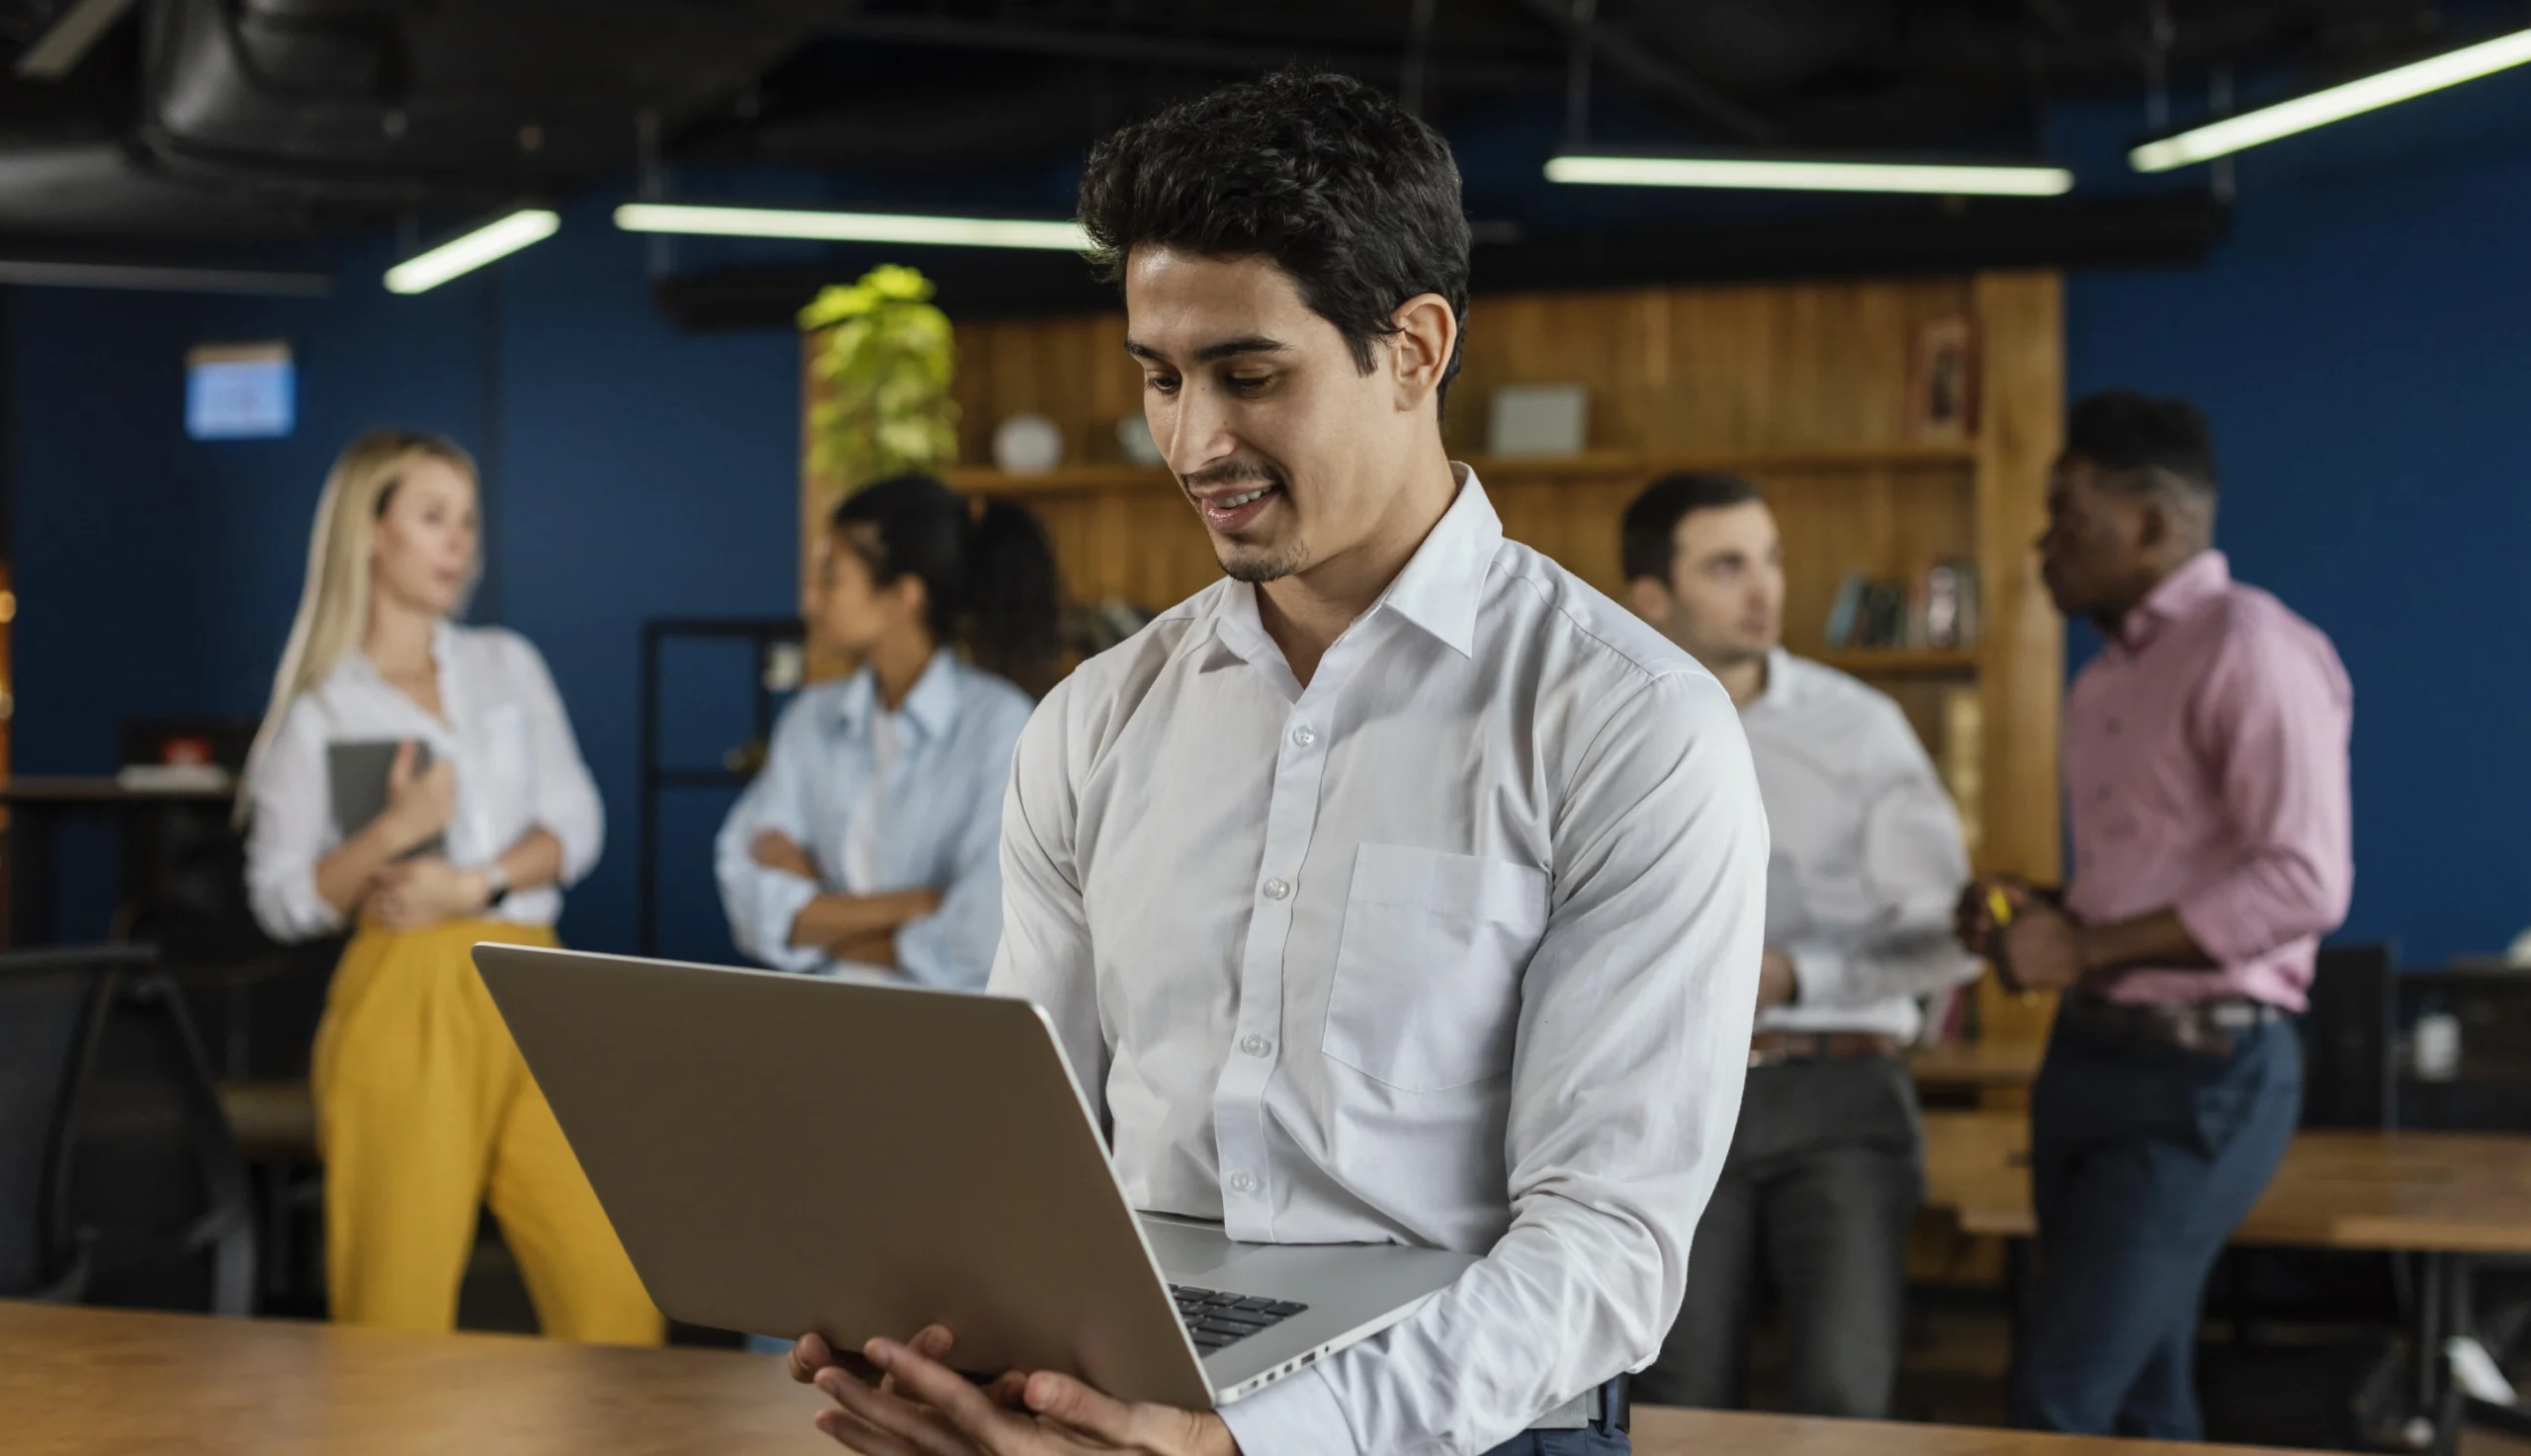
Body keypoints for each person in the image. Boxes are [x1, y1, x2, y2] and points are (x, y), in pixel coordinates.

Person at [784, 70, 1770, 1456]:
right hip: (1133, 1412)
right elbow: (1023, 1156)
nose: (1194, 442)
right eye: (1159, 377)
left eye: (1249, 377)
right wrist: (934, 1348)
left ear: (1417, 349)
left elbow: (1606, 1246)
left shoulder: (1626, 725)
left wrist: (1257, 1445)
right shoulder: (1093, 724)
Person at [1959, 390, 2352, 1438]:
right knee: (2137, 1391)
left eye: (2066, 516)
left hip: (2204, 1079)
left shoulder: (2253, 647)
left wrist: (2080, 942)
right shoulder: (2104, 679)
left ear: (2149, 524)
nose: (2044, 545)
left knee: (2056, 1393)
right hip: (2089, 1055)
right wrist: (2035, 911)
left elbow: (2305, 880)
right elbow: (2141, 886)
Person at [240, 429, 658, 1343]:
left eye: (467, 520)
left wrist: (470, 881)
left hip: (537, 983)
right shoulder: (321, 710)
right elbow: (279, 898)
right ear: (369, 531)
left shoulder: (508, 663)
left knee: (617, 1295)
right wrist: (391, 830)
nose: (459, 541)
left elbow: (576, 826)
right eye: (433, 517)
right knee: (393, 1312)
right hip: (402, 995)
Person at [1618, 472, 1978, 1417]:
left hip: (1839, 1092)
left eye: (1770, 559)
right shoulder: (1609, 727)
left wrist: (1796, 973)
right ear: (1652, 597)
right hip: (1677, 1092)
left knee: (1841, 1400)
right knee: (1676, 1396)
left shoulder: (1859, 727)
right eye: (1727, 565)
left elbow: (1952, 939)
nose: (1764, 588)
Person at [715, 474, 1056, 985]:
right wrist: (916, 904)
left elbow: (982, 936)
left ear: (903, 595)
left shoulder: (1001, 726)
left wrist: (819, 914)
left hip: (949, 1036)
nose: (809, 599)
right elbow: (744, 889)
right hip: (818, 1023)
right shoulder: (810, 719)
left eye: (831, 576)